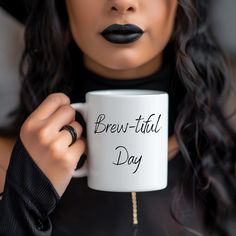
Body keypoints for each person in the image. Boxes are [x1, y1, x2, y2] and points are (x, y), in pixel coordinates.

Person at [0, 0, 236, 235]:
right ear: (61, 4)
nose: (122, 3)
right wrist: (24, 205)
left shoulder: (225, 163)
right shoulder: (7, 167)